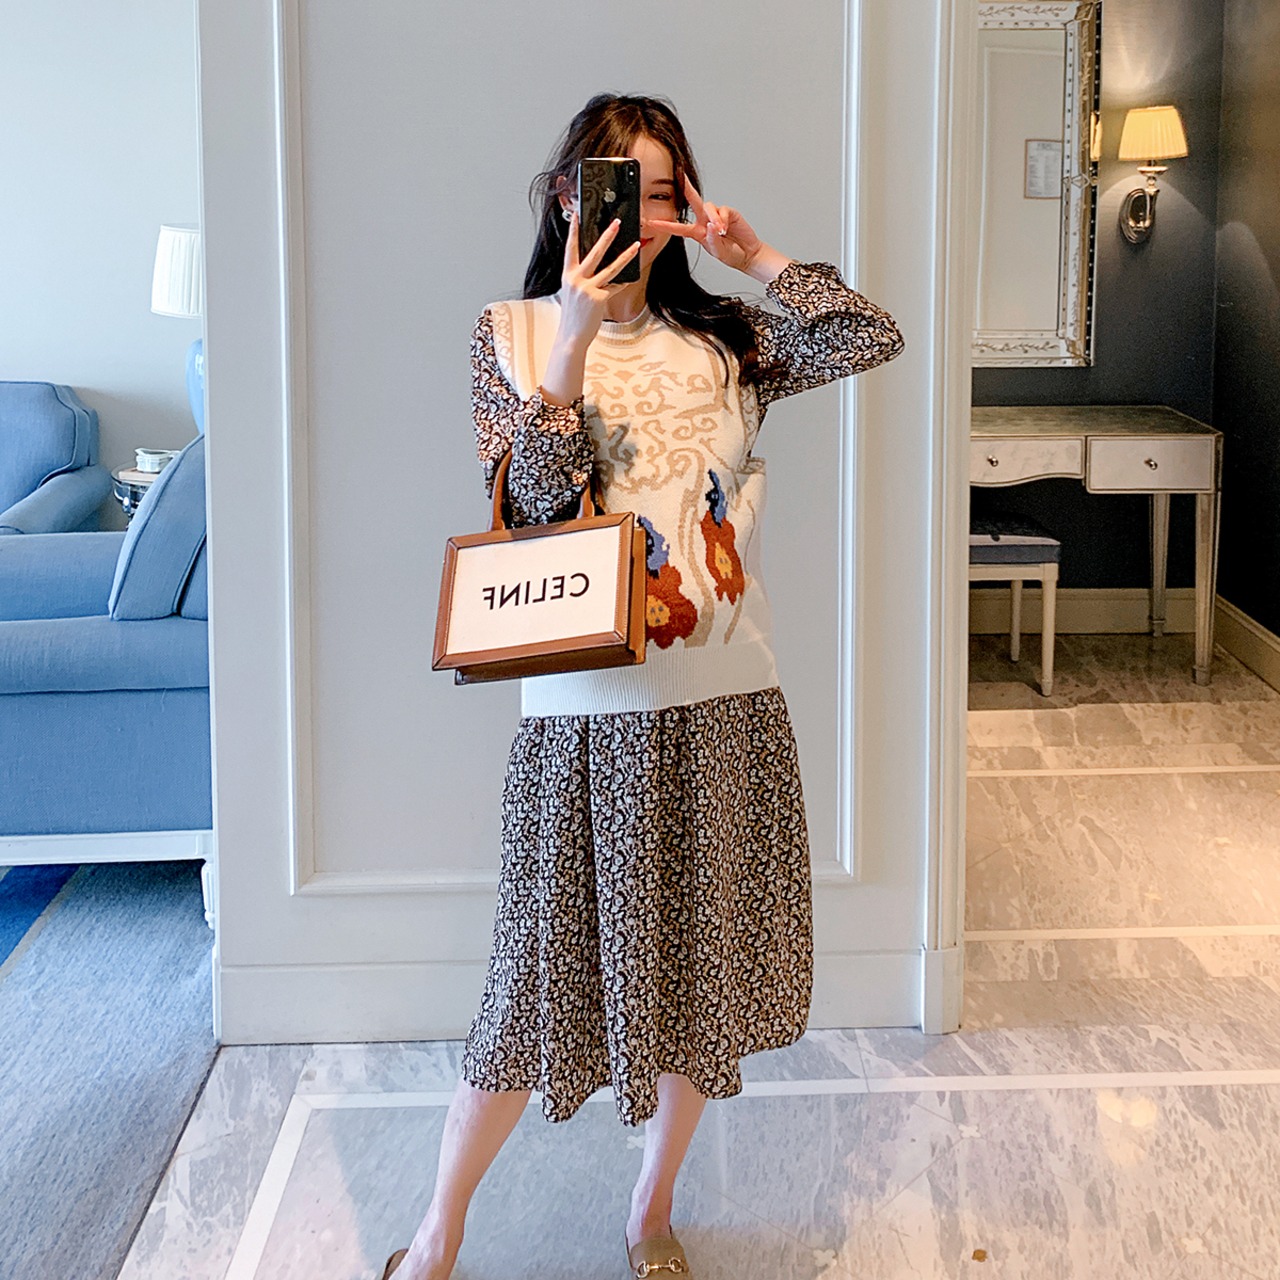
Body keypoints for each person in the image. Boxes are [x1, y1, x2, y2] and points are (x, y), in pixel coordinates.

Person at [383, 92, 904, 1280]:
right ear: (567, 199)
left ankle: (650, 1208)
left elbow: (868, 334)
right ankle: (438, 1231)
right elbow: (528, 507)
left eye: (661, 193)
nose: (639, 214)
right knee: (528, 989)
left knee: (696, 985)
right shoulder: (511, 334)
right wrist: (571, 340)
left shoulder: (729, 338)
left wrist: (754, 255)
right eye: (616, 188)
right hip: (582, 722)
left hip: (725, 702)